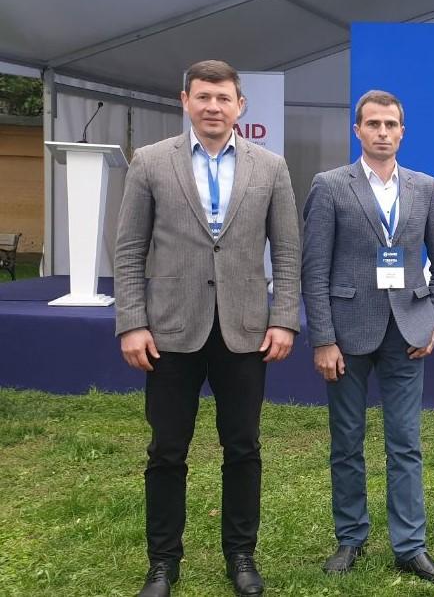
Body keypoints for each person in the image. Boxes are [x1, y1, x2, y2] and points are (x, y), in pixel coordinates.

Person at [114, 60, 301, 597]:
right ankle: (162, 563)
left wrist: (284, 318)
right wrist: (132, 323)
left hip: (245, 330)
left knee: (242, 448)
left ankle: (241, 555)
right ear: (186, 101)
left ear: (240, 105)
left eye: (223, 98)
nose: (213, 107)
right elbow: (129, 250)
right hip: (170, 331)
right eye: (203, 97)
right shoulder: (150, 162)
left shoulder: (271, 167)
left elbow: (288, 251)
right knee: (166, 450)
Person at [301, 90, 434, 584]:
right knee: (347, 441)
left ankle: (410, 545)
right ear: (358, 131)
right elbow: (314, 269)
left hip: (407, 331)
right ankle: (350, 537)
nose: (382, 132)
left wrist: (432, 319)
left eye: (391, 124)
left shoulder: (425, 187)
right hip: (346, 334)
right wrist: (322, 339)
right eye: (373, 124)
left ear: (402, 132)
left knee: (405, 442)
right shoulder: (330, 185)